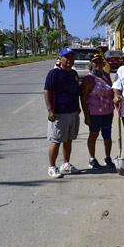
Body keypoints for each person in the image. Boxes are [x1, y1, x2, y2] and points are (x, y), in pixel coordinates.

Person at [44, 48, 81, 178]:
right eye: (67, 57)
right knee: (56, 140)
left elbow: (76, 92)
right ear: (60, 59)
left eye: (72, 57)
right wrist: (50, 110)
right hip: (58, 113)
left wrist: (78, 107)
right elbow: (47, 92)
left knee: (69, 139)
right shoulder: (54, 73)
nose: (69, 60)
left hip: (72, 112)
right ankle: (52, 167)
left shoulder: (74, 74)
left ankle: (65, 164)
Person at [80, 54, 115, 169]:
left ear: (103, 64)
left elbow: (111, 91)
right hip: (94, 113)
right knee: (94, 135)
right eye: (95, 63)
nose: (98, 65)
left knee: (107, 136)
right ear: (91, 65)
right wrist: (86, 115)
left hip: (107, 112)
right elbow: (83, 98)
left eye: (100, 63)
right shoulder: (88, 79)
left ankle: (107, 157)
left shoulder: (106, 76)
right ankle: (92, 159)